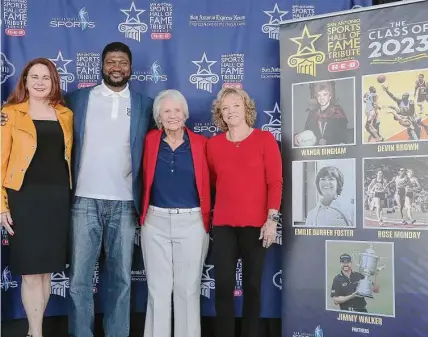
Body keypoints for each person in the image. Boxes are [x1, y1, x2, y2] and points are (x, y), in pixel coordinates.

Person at [65, 42, 153, 337]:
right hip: (84, 201)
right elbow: (42, 116)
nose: (117, 67)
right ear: (101, 66)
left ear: (131, 68)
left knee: (122, 280)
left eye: (123, 62)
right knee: (79, 279)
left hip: (125, 204)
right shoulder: (78, 99)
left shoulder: (145, 104)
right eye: (111, 62)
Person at [0, 58, 73, 337]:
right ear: (25, 81)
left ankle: (35, 330)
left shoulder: (65, 114)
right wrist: (1, 205)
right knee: (30, 271)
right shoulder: (10, 114)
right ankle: (36, 332)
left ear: (54, 82)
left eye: (46, 77)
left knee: (45, 272)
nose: (40, 82)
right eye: (35, 77)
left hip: (56, 200)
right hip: (24, 199)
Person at [206, 87, 282, 337]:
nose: (231, 111)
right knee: (224, 287)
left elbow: (275, 182)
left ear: (246, 108)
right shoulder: (214, 145)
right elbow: (215, 181)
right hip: (224, 225)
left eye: (236, 105)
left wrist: (272, 220)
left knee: (252, 286)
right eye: (225, 108)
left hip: (256, 225)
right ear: (220, 114)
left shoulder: (264, 139)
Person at [139, 89, 210, 337]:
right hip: (155, 222)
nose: (172, 115)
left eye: (177, 110)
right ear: (158, 116)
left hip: (192, 221)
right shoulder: (148, 140)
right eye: (166, 111)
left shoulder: (201, 144)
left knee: (188, 290)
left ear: (185, 114)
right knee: (157, 291)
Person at [294, 81, 349, 147]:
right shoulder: (313, 113)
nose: (321, 98)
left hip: (333, 151)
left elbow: (343, 136)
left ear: (330, 96)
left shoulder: (337, 112)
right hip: (315, 153)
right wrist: (297, 137)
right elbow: (306, 131)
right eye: (318, 95)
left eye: (325, 94)